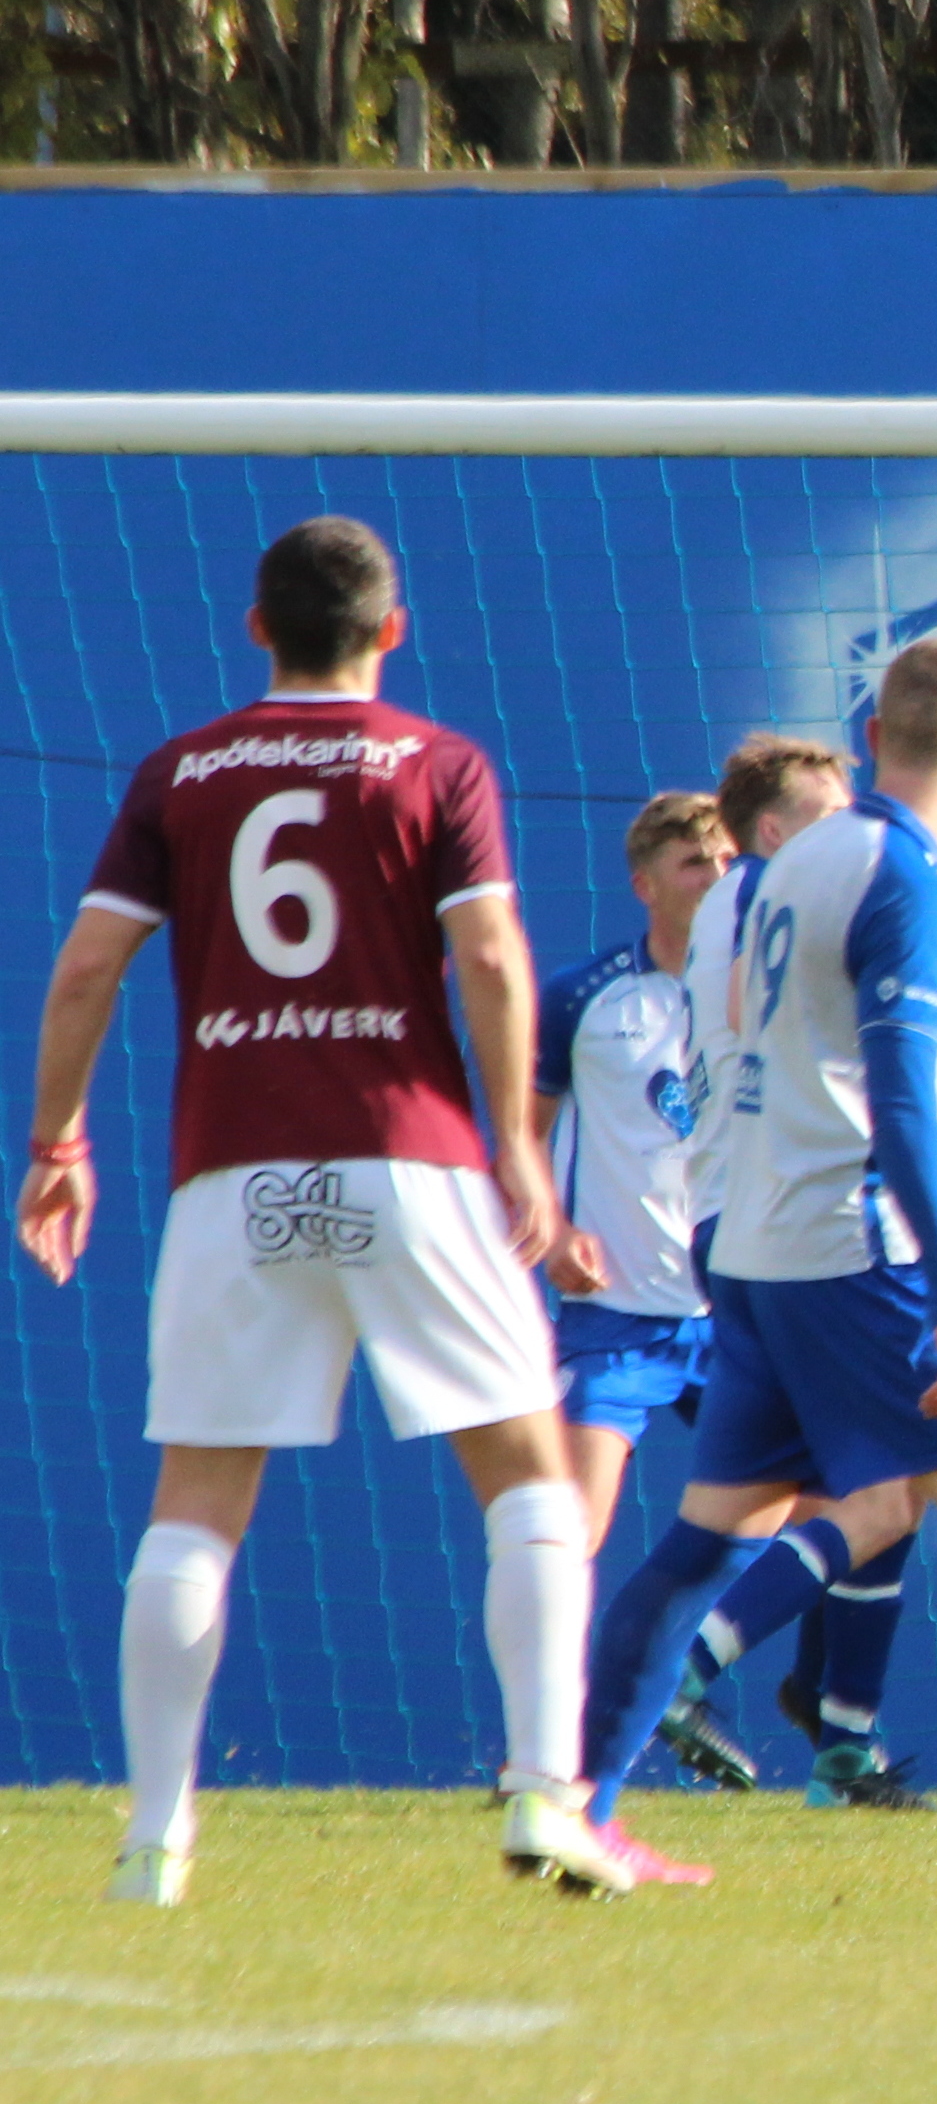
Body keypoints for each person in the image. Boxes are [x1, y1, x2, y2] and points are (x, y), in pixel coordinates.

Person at [18, 515, 625, 1903]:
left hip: (233, 1175)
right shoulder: (437, 762)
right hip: (412, 1164)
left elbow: (85, 968)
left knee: (195, 1506)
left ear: (256, 628)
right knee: (528, 1476)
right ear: (393, 630)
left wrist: (57, 1140)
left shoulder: (182, 770)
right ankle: (545, 1794)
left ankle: (153, 1837)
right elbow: (490, 953)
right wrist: (521, 1147)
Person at [573, 639, 937, 1880]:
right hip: (851, 1245)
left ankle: (574, 1803)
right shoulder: (907, 877)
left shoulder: (789, 862)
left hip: (747, 1241)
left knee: (708, 1537)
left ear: (876, 734)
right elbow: (897, 1100)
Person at [638, 734, 931, 1809]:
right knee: (893, 1485)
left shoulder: (740, 901)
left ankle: (841, 1735)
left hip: (741, 1217)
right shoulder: (778, 892)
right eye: (826, 809)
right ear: (771, 829)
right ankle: (690, 1671)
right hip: (799, 1219)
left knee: (854, 1490)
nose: (850, 827)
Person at [530, 791, 732, 1554]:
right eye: (694, 863)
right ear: (646, 885)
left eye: (728, 858)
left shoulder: (768, 991)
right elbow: (521, 1136)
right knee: (570, 1531)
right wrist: (552, 1232)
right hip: (614, 1313)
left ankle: (716, 1630)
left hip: (739, 1311)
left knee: (824, 1516)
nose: (717, 875)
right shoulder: (583, 997)